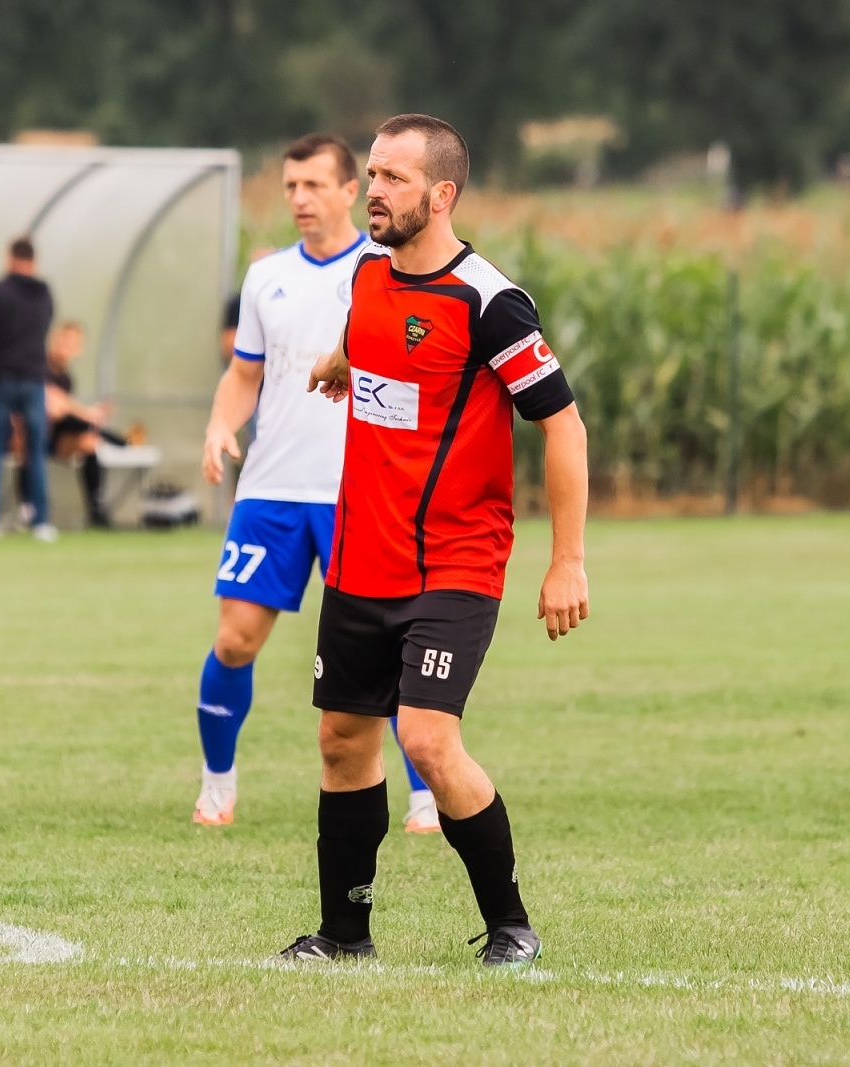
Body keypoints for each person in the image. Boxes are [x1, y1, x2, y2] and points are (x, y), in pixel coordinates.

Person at [281, 115, 590, 967]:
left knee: (424, 737)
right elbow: (382, 342)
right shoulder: (370, 276)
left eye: (392, 178)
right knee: (343, 740)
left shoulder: (490, 302)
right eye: (372, 174)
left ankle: (511, 926)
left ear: (441, 194)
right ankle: (344, 936)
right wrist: (344, 359)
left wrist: (566, 560)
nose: (373, 191)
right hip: (359, 558)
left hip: (455, 560)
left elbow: (563, 427)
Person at [195, 134, 436, 831]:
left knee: (383, 648)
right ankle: (217, 784)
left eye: (312, 185)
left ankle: (423, 793)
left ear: (348, 190)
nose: (298, 198)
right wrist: (219, 425)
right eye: (290, 186)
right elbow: (244, 376)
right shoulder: (265, 277)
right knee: (235, 640)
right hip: (271, 492)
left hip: (360, 494)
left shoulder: (388, 268)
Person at [0, 236, 56, 544]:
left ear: (10, 259)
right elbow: (44, 329)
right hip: (33, 378)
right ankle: (41, 520)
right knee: (36, 451)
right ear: (33, 262)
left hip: (1, 379)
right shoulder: (44, 294)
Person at [41, 321, 121, 528]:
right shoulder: (39, 368)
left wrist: (87, 416)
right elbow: (54, 405)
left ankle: (96, 509)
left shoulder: (66, 378)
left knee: (89, 442)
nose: (65, 348)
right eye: (63, 342)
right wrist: (87, 413)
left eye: (72, 345)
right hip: (28, 437)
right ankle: (30, 511)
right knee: (87, 427)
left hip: (52, 437)